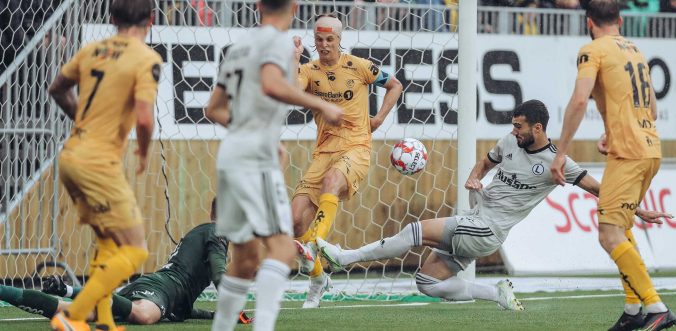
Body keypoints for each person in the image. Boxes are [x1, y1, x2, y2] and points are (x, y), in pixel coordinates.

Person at [317, 100, 671, 310]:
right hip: (476, 220)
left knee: (417, 230)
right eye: (512, 126)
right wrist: (475, 178)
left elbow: (598, 189)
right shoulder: (508, 141)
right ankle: (496, 293)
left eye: (519, 127)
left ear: (537, 127)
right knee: (426, 282)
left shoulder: (555, 162)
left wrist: (638, 209)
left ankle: (344, 257)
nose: (513, 131)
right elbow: (485, 164)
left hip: (489, 230)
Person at [204, 0, 343, 329]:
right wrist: (320, 104)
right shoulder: (277, 42)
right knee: (281, 250)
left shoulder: (241, 47)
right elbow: (271, 83)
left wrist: (253, 130)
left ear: (256, 5)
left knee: (246, 258)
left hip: (232, 154)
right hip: (254, 158)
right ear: (295, 7)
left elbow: (213, 108)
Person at [550, 1, 676, 330]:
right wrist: (613, 131)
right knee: (621, 228)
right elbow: (652, 110)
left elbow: (580, 99)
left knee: (608, 234)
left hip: (629, 152)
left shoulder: (592, 50)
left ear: (590, 22)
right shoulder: (635, 50)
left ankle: (655, 306)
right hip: (651, 149)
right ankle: (634, 310)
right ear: (619, 20)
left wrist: (560, 152)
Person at [47, 1, 161, 330]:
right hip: (98, 164)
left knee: (108, 242)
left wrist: (83, 125)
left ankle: (107, 322)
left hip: (71, 156)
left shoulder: (92, 50)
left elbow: (56, 89)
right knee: (135, 250)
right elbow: (144, 117)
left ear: (111, 18)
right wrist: (142, 152)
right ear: (151, 20)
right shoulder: (146, 58)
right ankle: (72, 316)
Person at [291, 13, 403, 308]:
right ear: (313, 41)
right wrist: (293, 59)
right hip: (323, 152)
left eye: (330, 39)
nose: (325, 44)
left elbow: (395, 85)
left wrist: (378, 119)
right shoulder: (308, 70)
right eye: (320, 39)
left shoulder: (359, 66)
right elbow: (290, 93)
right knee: (293, 223)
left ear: (340, 40)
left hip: (356, 148)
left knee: (332, 182)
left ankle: (315, 245)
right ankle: (318, 279)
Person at [0, 198, 252, 325]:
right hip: (159, 290)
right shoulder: (217, 233)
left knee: (73, 313)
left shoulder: (206, 233)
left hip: (153, 288)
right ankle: (70, 289)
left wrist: (217, 314)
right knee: (144, 315)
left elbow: (186, 306)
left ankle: (8, 290)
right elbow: (220, 276)